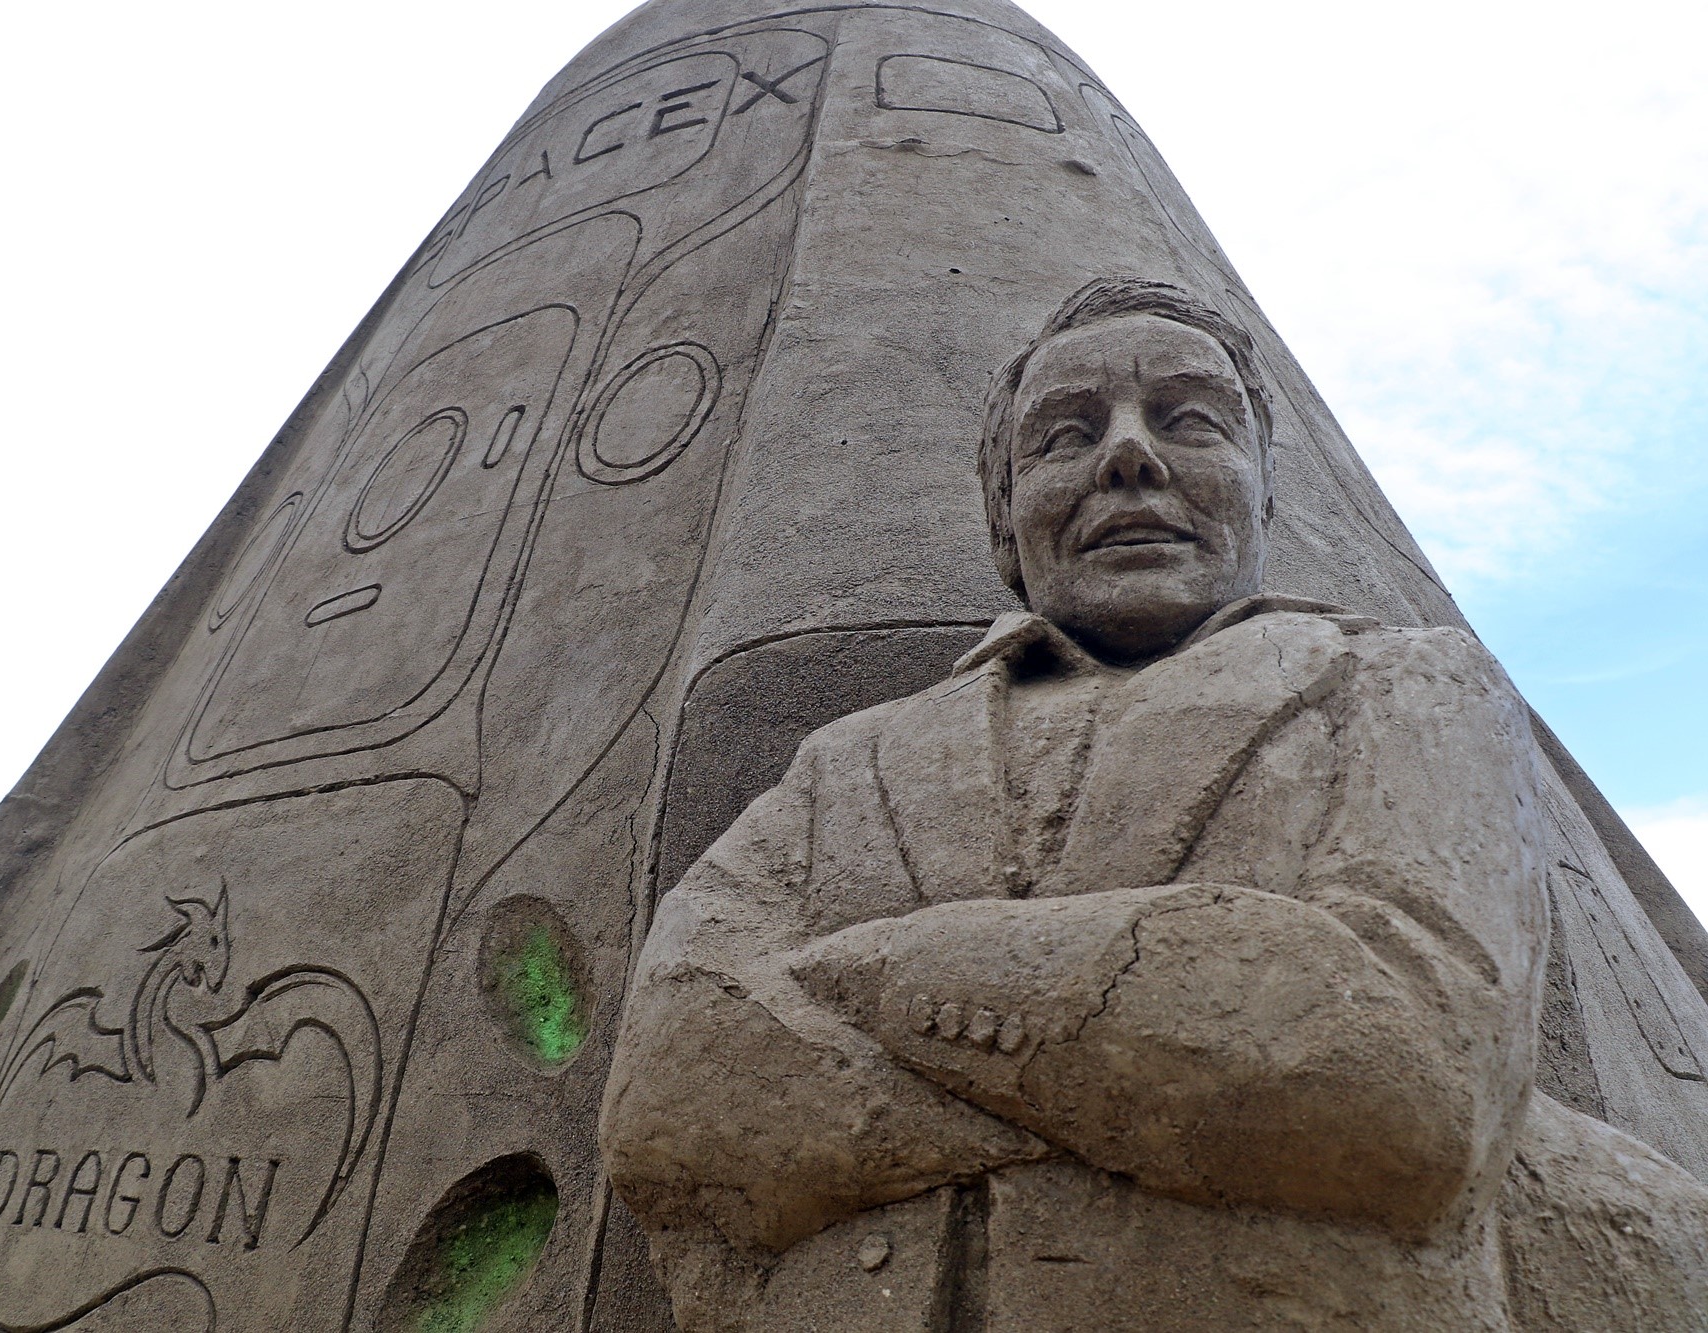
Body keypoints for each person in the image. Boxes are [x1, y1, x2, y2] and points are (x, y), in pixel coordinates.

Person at [600, 279, 1708, 1331]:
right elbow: (672, 1085)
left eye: (1189, 421)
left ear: (1261, 491)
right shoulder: (845, 761)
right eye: (1064, 435)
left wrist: (871, 972)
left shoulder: (1404, 685)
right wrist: (1149, 1083)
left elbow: (1405, 1080)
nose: (1127, 455)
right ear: (1003, 519)